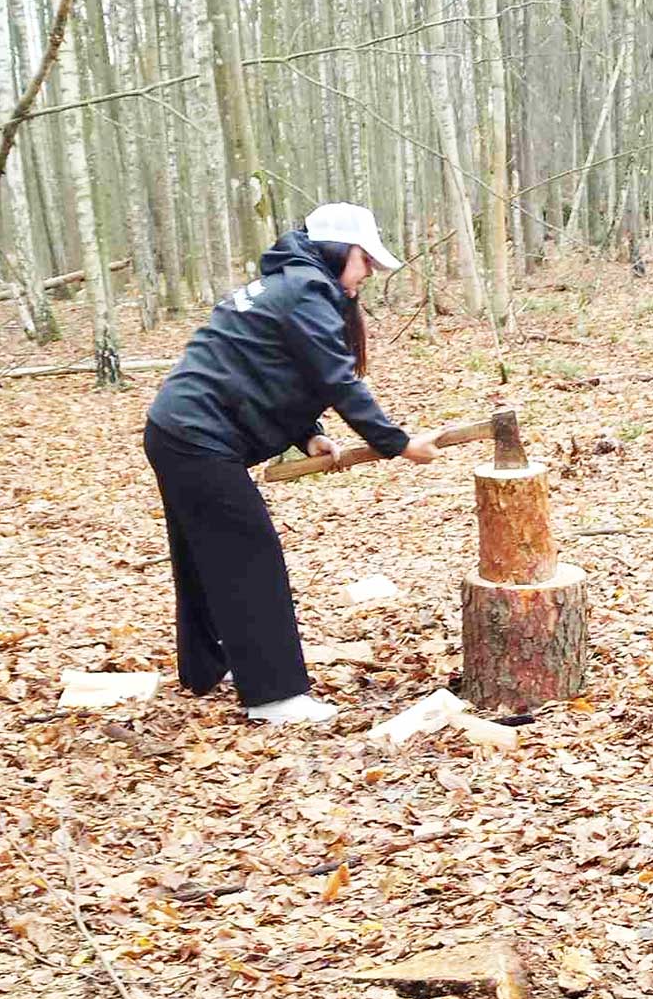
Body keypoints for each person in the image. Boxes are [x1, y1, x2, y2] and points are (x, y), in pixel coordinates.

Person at [143, 203, 440, 725]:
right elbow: (337, 379)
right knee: (249, 555)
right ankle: (274, 694)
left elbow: (270, 367)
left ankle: (208, 665)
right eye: (364, 260)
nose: (368, 272)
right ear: (335, 250)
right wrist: (398, 442)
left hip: (177, 430)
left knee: (203, 554)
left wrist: (309, 436)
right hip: (197, 436)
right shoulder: (307, 290)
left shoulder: (290, 284)